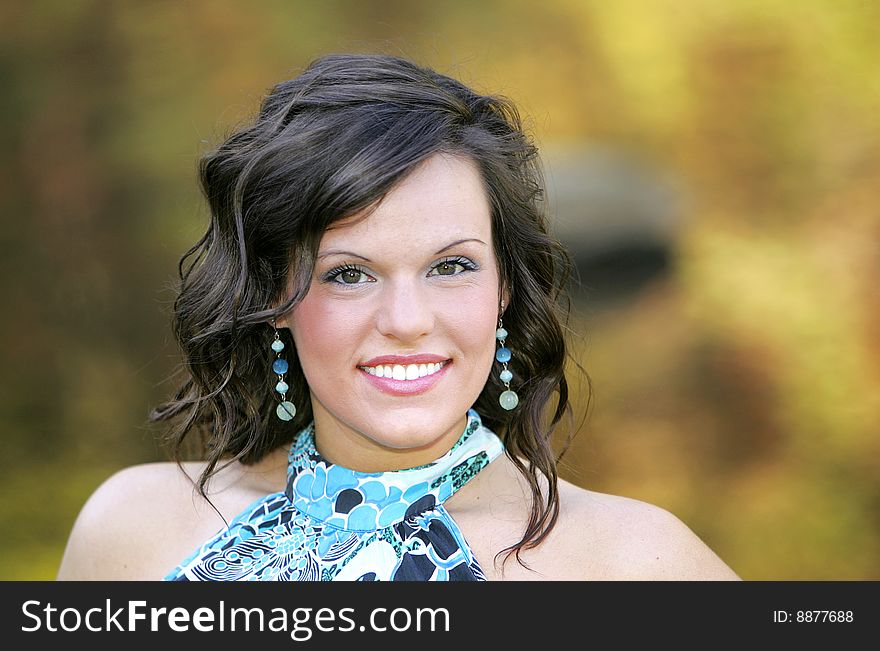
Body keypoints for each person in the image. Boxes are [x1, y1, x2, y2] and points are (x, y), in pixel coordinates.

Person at [57, 53, 740, 581]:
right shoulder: (132, 530)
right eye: (349, 274)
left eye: (451, 266)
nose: (408, 320)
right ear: (274, 299)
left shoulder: (633, 563)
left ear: (504, 286)